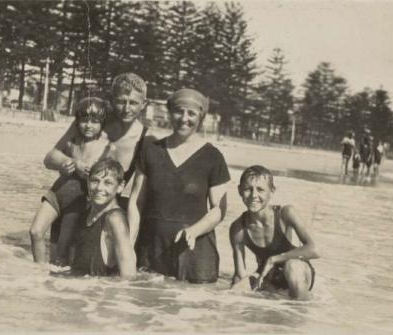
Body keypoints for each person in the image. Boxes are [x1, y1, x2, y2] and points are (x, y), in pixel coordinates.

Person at [128, 88, 230, 283]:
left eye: (191, 113)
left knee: (189, 309)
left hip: (194, 253)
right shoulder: (151, 151)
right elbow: (136, 201)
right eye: (178, 111)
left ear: (201, 117)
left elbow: (219, 209)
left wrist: (194, 231)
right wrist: (129, 242)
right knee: (141, 305)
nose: (184, 118)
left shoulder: (213, 157)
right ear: (169, 113)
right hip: (151, 249)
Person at [44, 73, 156, 243]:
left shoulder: (145, 139)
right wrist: (73, 163)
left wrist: (129, 240)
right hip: (71, 201)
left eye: (133, 102)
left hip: (102, 212)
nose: (126, 109)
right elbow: (50, 157)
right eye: (121, 101)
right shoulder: (93, 121)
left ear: (144, 104)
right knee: (55, 263)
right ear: (111, 100)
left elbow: (137, 196)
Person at [30, 97, 115, 266]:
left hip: (79, 201)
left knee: (61, 253)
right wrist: (67, 163)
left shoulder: (107, 146)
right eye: (84, 121)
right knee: (35, 232)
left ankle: (54, 285)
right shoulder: (72, 139)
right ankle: (37, 272)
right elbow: (48, 159)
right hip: (57, 193)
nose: (89, 125)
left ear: (102, 123)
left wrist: (92, 173)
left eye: (94, 122)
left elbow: (108, 178)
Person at [229, 165, 319, 300]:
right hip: (268, 276)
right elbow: (239, 274)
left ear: (272, 191)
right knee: (235, 291)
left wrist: (274, 259)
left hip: (297, 272)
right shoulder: (238, 228)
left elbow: (314, 249)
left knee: (292, 267)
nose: (254, 195)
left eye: (260, 189)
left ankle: (299, 315)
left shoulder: (285, 214)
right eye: (248, 189)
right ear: (239, 190)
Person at [68, 158, 136, 278]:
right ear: (88, 182)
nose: (99, 188)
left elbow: (129, 274)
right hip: (80, 290)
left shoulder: (115, 219)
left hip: (99, 293)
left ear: (120, 187)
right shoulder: (86, 215)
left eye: (108, 183)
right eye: (95, 181)